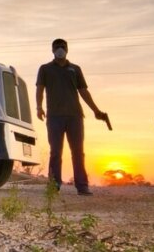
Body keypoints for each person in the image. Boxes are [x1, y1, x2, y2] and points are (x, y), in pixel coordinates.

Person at [36, 38, 107, 195]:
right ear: (52, 50)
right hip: (54, 117)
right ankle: (54, 186)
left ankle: (82, 186)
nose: (60, 49)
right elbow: (40, 89)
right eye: (57, 47)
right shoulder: (45, 69)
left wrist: (95, 110)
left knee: (78, 151)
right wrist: (39, 107)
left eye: (63, 46)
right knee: (55, 151)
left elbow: (83, 91)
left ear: (67, 49)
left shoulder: (75, 69)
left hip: (75, 116)